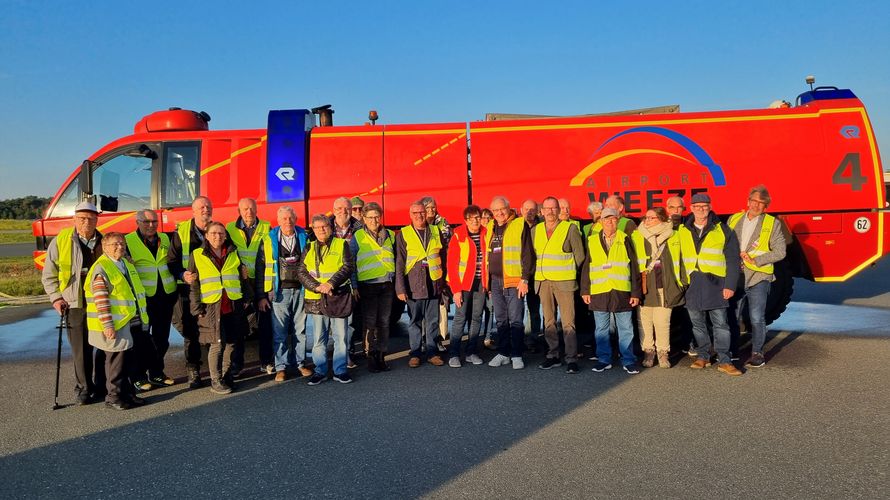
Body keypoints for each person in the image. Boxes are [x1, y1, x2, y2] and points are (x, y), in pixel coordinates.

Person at [42, 201, 104, 405]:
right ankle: (85, 388)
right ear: (74, 219)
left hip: (101, 303)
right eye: (82, 218)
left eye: (91, 218)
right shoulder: (61, 242)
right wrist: (57, 298)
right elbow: (48, 275)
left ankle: (102, 385)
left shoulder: (106, 241)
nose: (86, 222)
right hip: (75, 303)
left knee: (104, 345)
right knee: (81, 349)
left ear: (97, 219)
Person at [84, 232, 148, 410]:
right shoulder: (102, 268)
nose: (120, 247)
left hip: (128, 321)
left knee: (127, 362)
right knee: (115, 365)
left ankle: (127, 394)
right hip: (115, 324)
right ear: (104, 247)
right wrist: (107, 325)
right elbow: (101, 300)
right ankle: (113, 397)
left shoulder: (124, 264)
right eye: (114, 244)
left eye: (122, 243)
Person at [680, 193, 743, 376]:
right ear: (691, 208)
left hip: (716, 284)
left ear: (710, 207)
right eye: (697, 206)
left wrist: (730, 285)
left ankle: (725, 360)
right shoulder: (683, 230)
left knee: (721, 325)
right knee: (698, 325)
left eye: (704, 206)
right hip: (692, 284)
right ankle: (703, 356)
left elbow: (732, 259)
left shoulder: (723, 230)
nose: (701, 209)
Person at [727, 185, 787, 368]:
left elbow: (780, 252)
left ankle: (757, 353)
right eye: (753, 201)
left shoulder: (772, 223)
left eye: (761, 203)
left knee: (756, 317)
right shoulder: (733, 219)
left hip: (759, 276)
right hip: (736, 275)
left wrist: (757, 259)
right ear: (747, 202)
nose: (756, 205)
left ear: (766, 207)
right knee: (733, 315)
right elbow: (725, 243)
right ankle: (733, 350)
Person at [188, 222, 251, 395]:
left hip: (232, 304)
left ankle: (226, 376)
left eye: (221, 233)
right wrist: (196, 308)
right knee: (217, 344)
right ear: (206, 236)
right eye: (214, 233)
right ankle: (215, 380)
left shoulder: (233, 252)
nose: (218, 236)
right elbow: (194, 285)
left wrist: (246, 296)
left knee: (232, 342)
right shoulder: (197, 254)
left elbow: (242, 276)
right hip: (211, 306)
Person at [582, 208, 643, 374]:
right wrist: (585, 291)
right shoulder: (592, 240)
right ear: (600, 221)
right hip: (599, 291)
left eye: (613, 219)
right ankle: (604, 359)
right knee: (601, 329)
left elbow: (634, 267)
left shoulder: (625, 239)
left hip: (621, 291)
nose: (610, 222)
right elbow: (587, 267)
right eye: (606, 219)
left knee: (626, 328)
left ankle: (628, 360)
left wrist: (635, 293)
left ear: (618, 220)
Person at [298, 215, 356, 385]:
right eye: (317, 227)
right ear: (313, 230)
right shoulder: (308, 248)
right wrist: (317, 286)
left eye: (324, 226)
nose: (321, 230)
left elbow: (348, 266)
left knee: (340, 336)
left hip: (337, 296)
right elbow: (301, 272)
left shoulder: (342, 244)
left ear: (330, 228)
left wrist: (331, 283)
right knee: (319, 338)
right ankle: (320, 371)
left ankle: (340, 371)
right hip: (316, 298)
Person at [125, 209, 177, 389]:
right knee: (141, 340)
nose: (151, 225)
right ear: (137, 222)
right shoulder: (128, 241)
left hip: (165, 296)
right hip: (143, 299)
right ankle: (138, 376)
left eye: (154, 221)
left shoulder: (166, 238)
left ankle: (156, 373)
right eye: (146, 222)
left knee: (162, 339)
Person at [534, 197, 586, 374]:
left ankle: (571, 358)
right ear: (542, 211)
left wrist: (570, 273)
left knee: (568, 322)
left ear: (558, 210)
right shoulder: (536, 230)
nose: (550, 212)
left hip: (564, 281)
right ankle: (553, 355)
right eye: (546, 208)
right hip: (544, 281)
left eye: (553, 208)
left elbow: (580, 257)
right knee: (548, 321)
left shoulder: (569, 228)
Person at [167, 196, 213, 389]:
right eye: (201, 207)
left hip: (212, 289)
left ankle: (216, 370)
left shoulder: (217, 230)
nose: (205, 210)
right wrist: (181, 273)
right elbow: (171, 261)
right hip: (189, 290)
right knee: (191, 332)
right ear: (193, 211)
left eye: (208, 207)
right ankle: (193, 371)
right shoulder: (182, 232)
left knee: (214, 329)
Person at [632, 207, 687, 368]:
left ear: (662, 219)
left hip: (666, 286)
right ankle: (648, 352)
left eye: (652, 218)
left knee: (662, 322)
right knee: (645, 321)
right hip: (644, 287)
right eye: (646, 218)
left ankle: (663, 352)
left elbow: (684, 258)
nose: (647, 221)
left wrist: (682, 283)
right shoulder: (637, 236)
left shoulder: (674, 235)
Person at [226, 197, 274, 376]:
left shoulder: (266, 227)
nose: (249, 212)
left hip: (260, 281)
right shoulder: (229, 228)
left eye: (252, 209)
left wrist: (262, 294)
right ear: (239, 211)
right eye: (245, 209)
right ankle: (237, 365)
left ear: (257, 210)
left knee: (265, 325)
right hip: (240, 283)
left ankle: (266, 361)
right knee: (239, 326)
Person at [486, 196, 535, 369]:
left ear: (509, 208)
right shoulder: (490, 227)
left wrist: (525, 279)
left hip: (514, 281)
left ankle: (516, 354)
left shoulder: (520, 224)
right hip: (495, 281)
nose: (499, 213)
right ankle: (503, 353)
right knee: (500, 319)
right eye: (495, 210)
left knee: (515, 319)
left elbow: (528, 254)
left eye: (502, 209)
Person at [396, 202, 446, 368]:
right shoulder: (404, 234)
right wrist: (400, 288)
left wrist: (444, 282)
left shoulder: (435, 230)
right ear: (410, 215)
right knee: (415, 321)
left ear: (426, 213)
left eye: (422, 212)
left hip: (433, 281)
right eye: (415, 213)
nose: (419, 215)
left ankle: (432, 353)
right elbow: (400, 263)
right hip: (414, 284)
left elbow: (443, 256)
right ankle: (415, 353)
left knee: (433, 321)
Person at [266, 206, 311, 382]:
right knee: (280, 331)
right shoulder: (270, 239)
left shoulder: (303, 236)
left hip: (300, 289)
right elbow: (265, 266)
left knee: (300, 330)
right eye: (284, 219)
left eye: (291, 218)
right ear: (278, 221)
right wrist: (267, 291)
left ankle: (300, 363)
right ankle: (281, 367)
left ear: (296, 219)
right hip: (280, 291)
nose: (288, 222)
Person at [350, 202, 396, 373]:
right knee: (369, 323)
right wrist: (354, 285)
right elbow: (352, 264)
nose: (374, 220)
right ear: (364, 218)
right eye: (370, 217)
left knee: (384, 322)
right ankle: (370, 355)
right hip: (367, 286)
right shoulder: (357, 237)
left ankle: (381, 355)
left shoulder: (390, 235)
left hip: (387, 285)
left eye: (377, 216)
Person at [445, 205, 488, 367]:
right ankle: (454, 354)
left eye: (478, 217)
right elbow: (452, 264)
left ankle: (471, 352)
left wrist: (488, 284)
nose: (476, 221)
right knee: (460, 318)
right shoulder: (458, 235)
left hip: (480, 284)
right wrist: (455, 290)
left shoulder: (485, 233)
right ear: (466, 221)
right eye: (472, 219)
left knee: (476, 318)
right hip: (463, 285)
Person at [327, 196, 363, 367]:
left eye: (347, 209)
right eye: (340, 208)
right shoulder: (323, 227)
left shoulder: (359, 228)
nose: (344, 212)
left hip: (349, 283)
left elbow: (356, 261)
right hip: (327, 283)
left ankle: (346, 355)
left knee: (348, 322)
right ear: (334, 211)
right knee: (328, 323)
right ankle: (333, 356)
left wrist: (355, 285)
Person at [665, 195, 695, 357]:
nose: (676, 211)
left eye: (679, 208)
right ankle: (666, 347)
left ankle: (687, 344)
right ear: (667, 208)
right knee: (666, 316)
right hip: (668, 278)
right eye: (672, 208)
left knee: (687, 314)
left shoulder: (688, 227)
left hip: (685, 278)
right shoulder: (661, 227)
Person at [420, 196, 452, 351]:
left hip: (440, 270)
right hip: (421, 273)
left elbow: (446, 245)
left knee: (440, 307)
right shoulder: (417, 224)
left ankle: (438, 339)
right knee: (424, 308)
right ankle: (424, 340)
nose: (431, 210)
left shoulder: (443, 223)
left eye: (433, 207)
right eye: (428, 208)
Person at [520, 199, 543, 352]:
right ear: (521, 210)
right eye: (527, 209)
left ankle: (533, 339)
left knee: (534, 310)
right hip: (518, 275)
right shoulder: (516, 226)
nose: (529, 212)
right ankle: (518, 339)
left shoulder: (542, 227)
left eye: (532, 209)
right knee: (517, 310)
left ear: (537, 211)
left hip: (536, 275)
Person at [480, 208, 495, 347]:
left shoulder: (493, 234)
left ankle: (487, 338)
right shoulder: (476, 235)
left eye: (488, 217)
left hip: (490, 278)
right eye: (483, 217)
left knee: (490, 309)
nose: (486, 220)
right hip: (479, 279)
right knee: (476, 310)